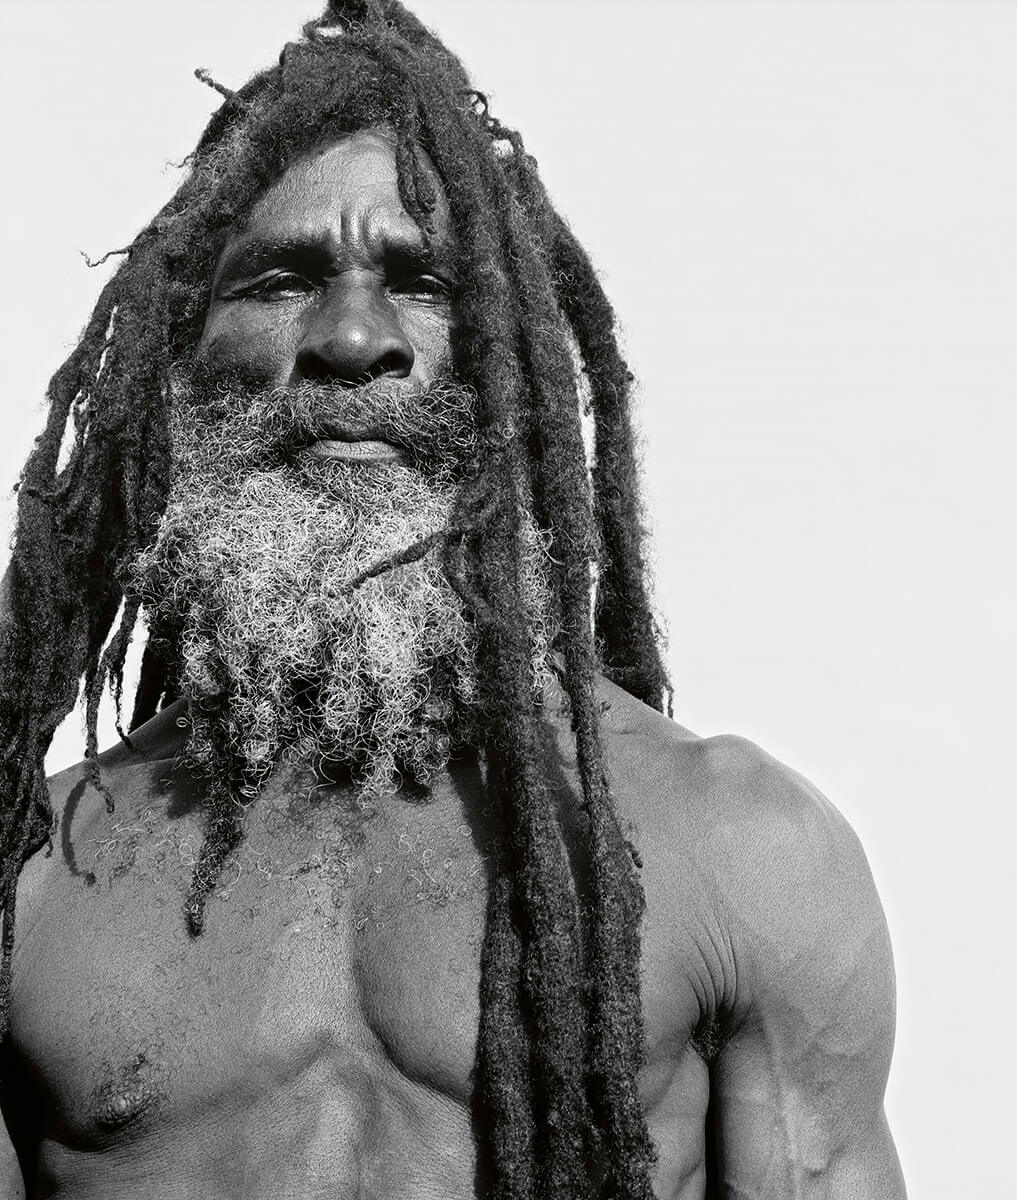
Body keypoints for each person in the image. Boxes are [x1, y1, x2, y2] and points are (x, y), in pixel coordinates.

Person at [0, 2, 905, 1197]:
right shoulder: (34, 879)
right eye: (283, 279)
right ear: (180, 366)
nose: (355, 338)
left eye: (424, 283)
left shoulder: (745, 854)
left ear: (516, 359)